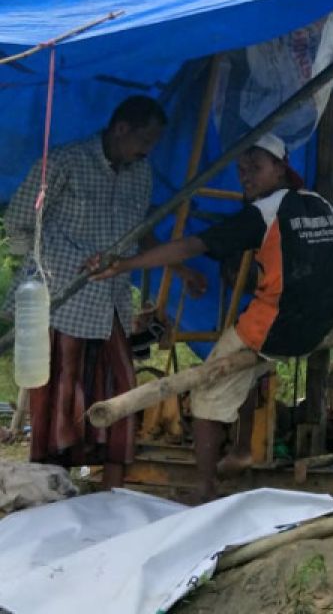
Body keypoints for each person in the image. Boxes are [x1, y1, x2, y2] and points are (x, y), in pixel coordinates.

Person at [90, 133, 333, 501]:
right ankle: (242, 448)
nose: (246, 176)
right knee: (246, 367)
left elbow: (192, 245)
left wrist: (126, 265)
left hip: (278, 328)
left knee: (206, 390)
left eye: (255, 168)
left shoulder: (262, 214)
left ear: (279, 168)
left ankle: (204, 485)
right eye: (242, 170)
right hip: (320, 322)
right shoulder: (317, 204)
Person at [6, 95, 206, 489]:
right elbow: (18, 222)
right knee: (59, 387)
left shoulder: (139, 172)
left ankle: (112, 482)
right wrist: (57, 263)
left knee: (119, 382)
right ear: (120, 129)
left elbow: (139, 227)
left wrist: (177, 267)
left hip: (111, 296)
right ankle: (49, 480)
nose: (147, 150)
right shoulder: (65, 161)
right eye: (144, 140)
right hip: (63, 295)